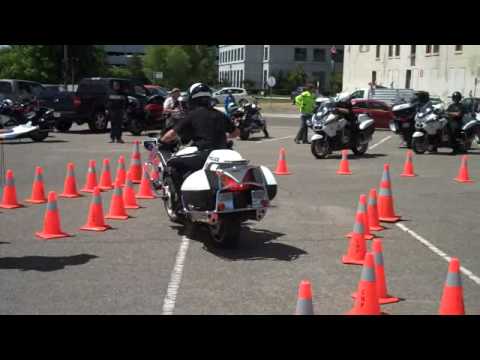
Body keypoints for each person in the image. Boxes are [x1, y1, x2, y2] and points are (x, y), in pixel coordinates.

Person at [160, 83, 240, 207]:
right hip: (223, 154)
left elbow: (171, 134)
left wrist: (161, 140)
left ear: (193, 99)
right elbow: (236, 132)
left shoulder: (192, 115)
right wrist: (223, 137)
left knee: (172, 164)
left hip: (205, 154)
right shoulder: (220, 114)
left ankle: (179, 202)